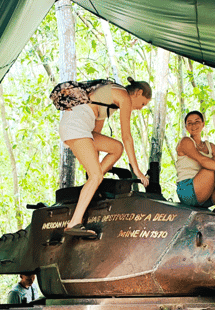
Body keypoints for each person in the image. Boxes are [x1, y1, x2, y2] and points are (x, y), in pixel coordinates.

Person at [59, 77, 151, 237]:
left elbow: (96, 136)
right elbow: (127, 136)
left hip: (79, 128)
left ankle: (92, 184)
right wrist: (137, 170)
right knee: (96, 176)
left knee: (116, 148)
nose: (141, 108)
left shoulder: (109, 101)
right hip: (76, 126)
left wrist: (93, 170)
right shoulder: (123, 96)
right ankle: (74, 222)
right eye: (143, 103)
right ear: (138, 92)